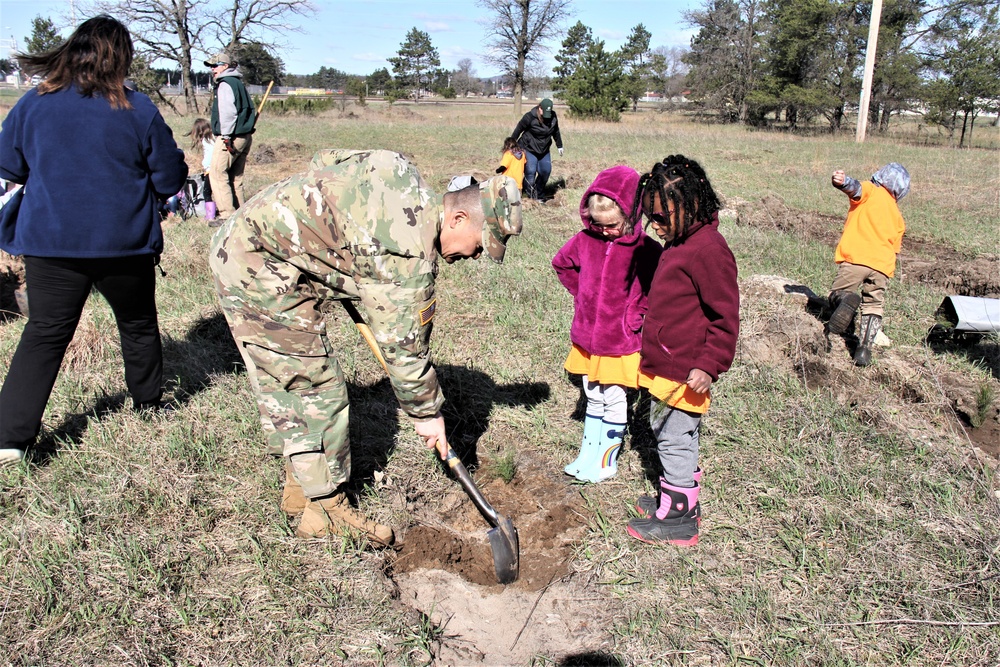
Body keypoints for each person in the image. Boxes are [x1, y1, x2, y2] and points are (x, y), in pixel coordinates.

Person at [209, 149, 522, 546]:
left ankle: (300, 489)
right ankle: (326, 511)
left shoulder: (400, 168)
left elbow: (324, 160)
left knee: (289, 380)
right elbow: (405, 354)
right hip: (256, 265)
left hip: (254, 240)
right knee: (313, 386)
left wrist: (336, 236)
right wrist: (427, 414)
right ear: (459, 219)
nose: (474, 256)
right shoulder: (407, 261)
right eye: (480, 244)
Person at [0, 15, 188, 467]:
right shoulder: (138, 108)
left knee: (44, 333)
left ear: (71, 50)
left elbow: (10, 166)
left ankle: (9, 440)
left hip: (50, 242)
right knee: (138, 323)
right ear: (121, 57)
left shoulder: (33, 103)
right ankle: (148, 405)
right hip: (123, 243)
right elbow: (168, 180)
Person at [626, 155, 739, 546]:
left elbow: (725, 316)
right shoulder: (680, 241)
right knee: (668, 431)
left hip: (687, 369)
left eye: (660, 217)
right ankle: (676, 494)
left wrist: (710, 365)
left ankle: (679, 516)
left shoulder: (708, 250)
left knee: (674, 437)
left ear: (691, 205)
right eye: (650, 217)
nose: (654, 226)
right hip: (668, 363)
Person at [552, 166, 661, 483]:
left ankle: (606, 459)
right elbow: (561, 264)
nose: (605, 231)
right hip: (587, 338)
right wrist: (582, 294)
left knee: (613, 397)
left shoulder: (646, 250)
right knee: (592, 393)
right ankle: (588, 452)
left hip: (619, 340)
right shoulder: (585, 240)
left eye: (611, 225)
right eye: (598, 225)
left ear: (631, 213)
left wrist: (637, 312)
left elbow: (658, 287)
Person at [825, 163, 909, 367]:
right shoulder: (898, 217)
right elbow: (895, 249)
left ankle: (846, 300)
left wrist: (842, 182)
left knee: (839, 292)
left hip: (858, 258)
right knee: (873, 305)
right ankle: (863, 349)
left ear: (879, 177)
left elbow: (855, 188)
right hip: (882, 266)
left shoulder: (872, 191)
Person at [205, 50, 256, 224]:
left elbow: (228, 113)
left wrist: (226, 137)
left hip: (231, 137)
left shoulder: (225, 84)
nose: (213, 69)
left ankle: (227, 215)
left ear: (225, 66)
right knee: (235, 177)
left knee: (217, 173)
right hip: (245, 136)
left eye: (215, 66)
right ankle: (242, 214)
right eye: (211, 66)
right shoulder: (237, 83)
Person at [511, 98, 563, 201]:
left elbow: (556, 131)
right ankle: (531, 197)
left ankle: (539, 193)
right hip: (528, 148)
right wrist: (511, 144)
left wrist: (559, 145)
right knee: (530, 171)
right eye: (544, 113)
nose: (546, 116)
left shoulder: (553, 117)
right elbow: (518, 129)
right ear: (540, 108)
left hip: (544, 149)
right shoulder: (529, 117)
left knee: (546, 171)